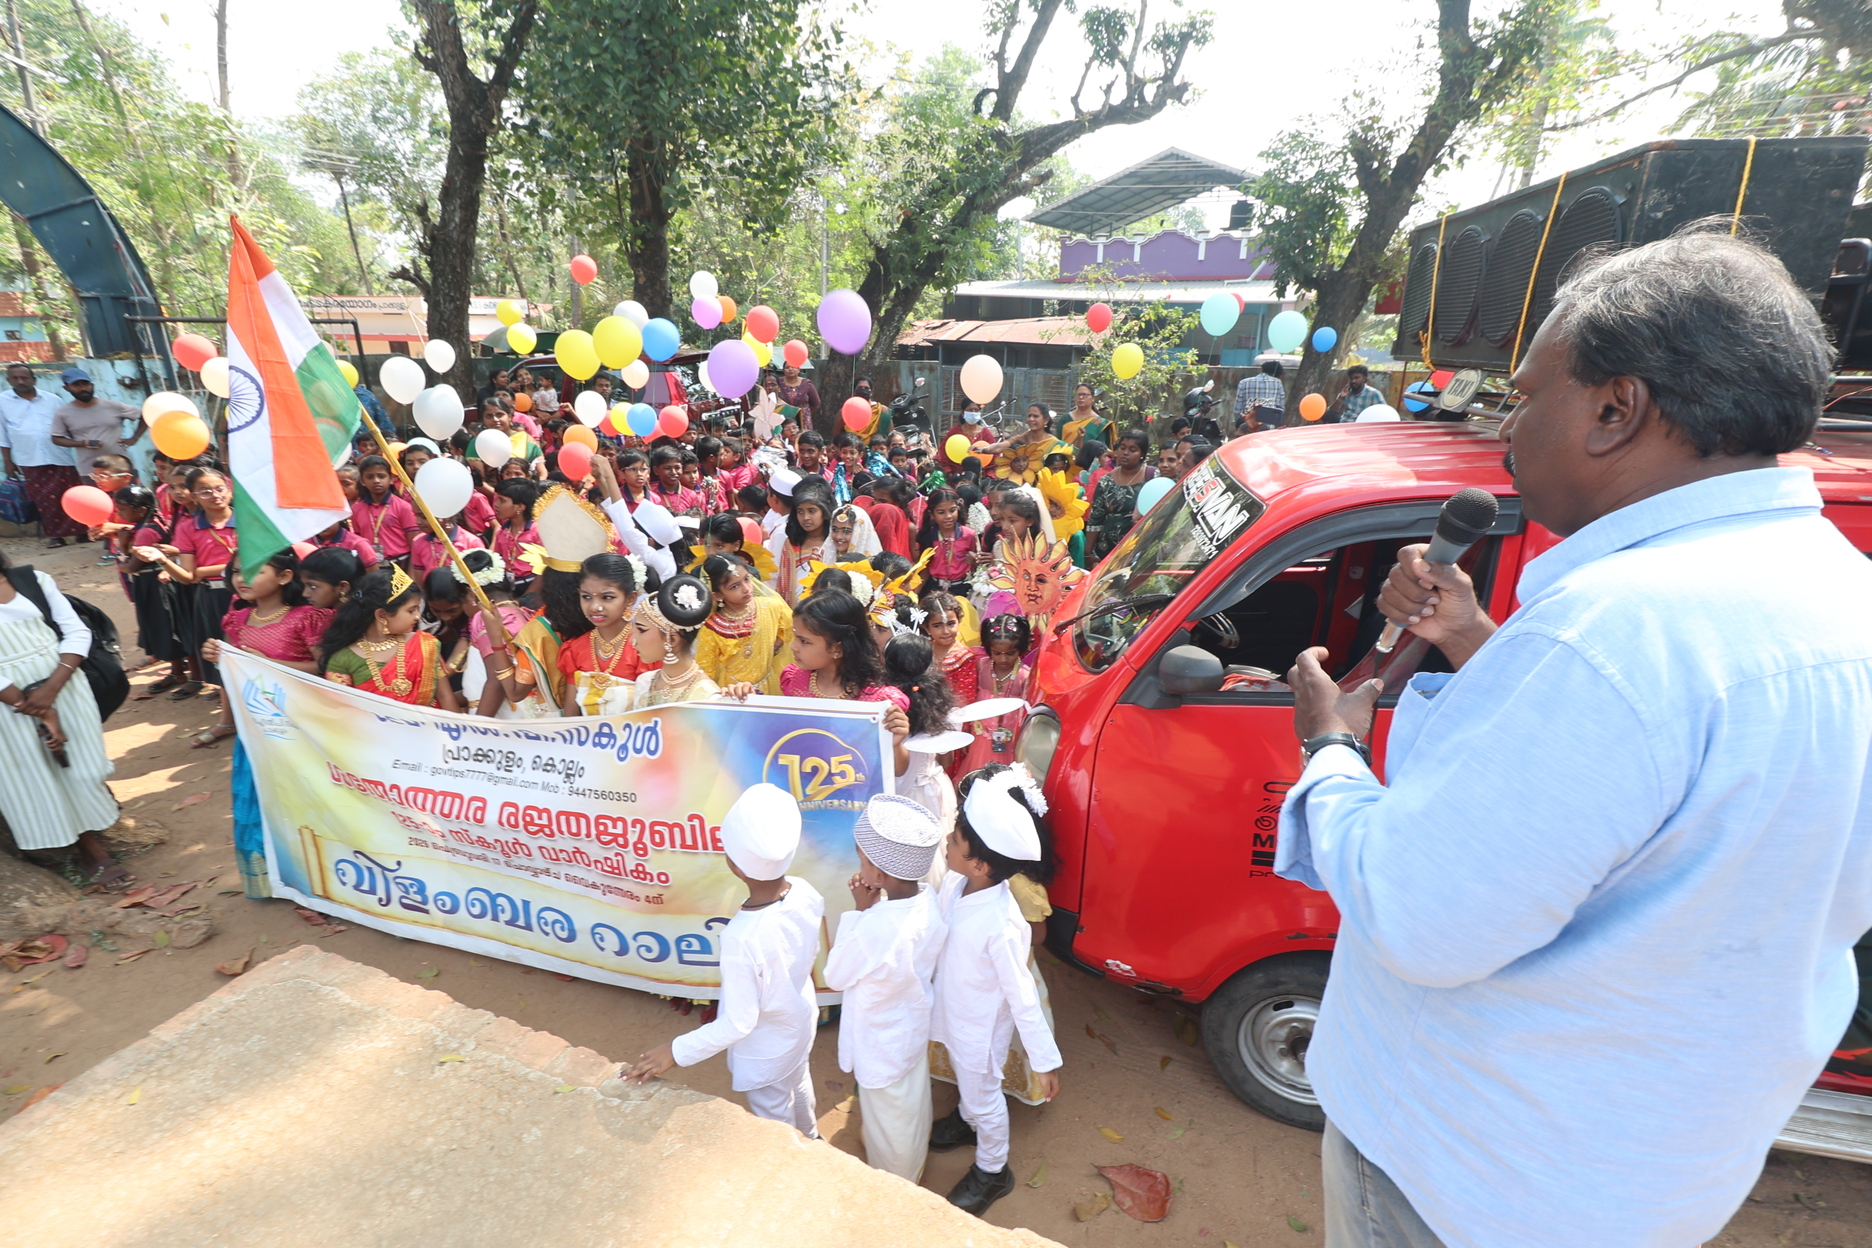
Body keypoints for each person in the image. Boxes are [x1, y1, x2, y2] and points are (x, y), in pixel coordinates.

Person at [1277, 227, 1872, 1248]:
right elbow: (1641, 782)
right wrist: (1477, 639)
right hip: (1646, 1173)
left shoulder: (1614, 631)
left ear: (1615, 409)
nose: (1507, 428)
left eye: (1524, 396)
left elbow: (1421, 916)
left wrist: (1330, 749)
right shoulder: (1840, 591)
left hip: (1469, 1178)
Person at [622, 783, 825, 1136]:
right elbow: (811, 953)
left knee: (776, 1123)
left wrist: (675, 1051)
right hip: (800, 1025)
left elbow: (738, 1023)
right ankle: (813, 1138)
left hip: (765, 1053)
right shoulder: (806, 892)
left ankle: (798, 1156)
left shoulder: (741, 937)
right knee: (799, 1086)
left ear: (734, 864)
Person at [929, 763, 1062, 1215]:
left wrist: (1044, 1060)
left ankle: (992, 1170)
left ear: (981, 864)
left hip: (979, 1029)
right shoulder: (955, 883)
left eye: (955, 840)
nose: (948, 842)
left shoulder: (1003, 925)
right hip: (953, 1010)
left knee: (985, 1098)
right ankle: (968, 1120)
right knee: (969, 1085)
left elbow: (1023, 997)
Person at [823, 793, 948, 1181]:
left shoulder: (875, 926)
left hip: (879, 1041)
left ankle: (897, 1182)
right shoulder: (929, 900)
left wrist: (859, 912)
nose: (859, 866)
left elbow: (835, 976)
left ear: (879, 875)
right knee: (910, 1101)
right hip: (909, 1029)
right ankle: (912, 1160)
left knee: (888, 1119)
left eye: (862, 859)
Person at [200, 549, 327, 897]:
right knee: (259, 801)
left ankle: (316, 878)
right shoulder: (237, 620)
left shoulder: (306, 618)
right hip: (256, 729)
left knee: (304, 799)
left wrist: (267, 664)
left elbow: (324, 668)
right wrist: (219, 656)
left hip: (299, 728)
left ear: (285, 577)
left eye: (255, 571)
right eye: (236, 571)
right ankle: (270, 879)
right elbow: (234, 670)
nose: (241, 578)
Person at [0, 549, 126, 884]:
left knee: (81, 764)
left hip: (64, 682)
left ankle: (96, 820)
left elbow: (77, 632)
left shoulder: (34, 581)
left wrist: (51, 689)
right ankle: (89, 849)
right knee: (37, 772)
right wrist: (34, 706)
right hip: (8, 701)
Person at [318, 564, 460, 709]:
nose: (418, 616)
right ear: (382, 615)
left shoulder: (426, 644)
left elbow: (445, 696)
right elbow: (341, 712)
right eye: (411, 610)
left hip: (428, 723)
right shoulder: (342, 660)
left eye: (418, 609)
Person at [1, 363, 86, 548]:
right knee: (44, 500)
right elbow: (2, 435)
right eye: (15, 378)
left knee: (72, 495)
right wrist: (7, 461)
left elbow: (68, 425)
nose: (20, 381)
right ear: (9, 380)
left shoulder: (53, 399)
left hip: (60, 455)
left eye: (24, 378)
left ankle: (82, 532)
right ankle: (56, 536)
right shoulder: (2, 401)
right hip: (29, 458)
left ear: (34, 380)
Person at [556, 552, 648, 717]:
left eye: (607, 597)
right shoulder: (575, 649)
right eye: (586, 597)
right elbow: (571, 717)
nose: (595, 607)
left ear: (630, 599)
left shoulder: (645, 647)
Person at [696, 553, 791, 694]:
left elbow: (788, 629)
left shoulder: (772, 607)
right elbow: (706, 671)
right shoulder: (711, 628)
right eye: (734, 586)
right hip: (734, 693)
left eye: (747, 579)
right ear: (718, 595)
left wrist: (774, 647)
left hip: (770, 687)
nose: (746, 588)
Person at [626, 571, 720, 707]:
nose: (632, 640)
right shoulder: (645, 682)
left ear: (672, 639)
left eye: (641, 630)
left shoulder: (707, 696)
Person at [49, 369, 140, 481]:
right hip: (90, 472)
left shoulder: (113, 406)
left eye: (85, 384)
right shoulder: (63, 413)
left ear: (92, 385)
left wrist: (134, 438)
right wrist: (82, 443)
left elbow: (144, 416)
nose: (83, 388)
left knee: (132, 493)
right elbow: (56, 438)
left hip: (122, 469)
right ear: (66, 388)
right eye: (76, 385)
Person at [1086, 429, 1153, 561]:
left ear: (1142, 454)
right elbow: (1096, 518)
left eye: (1132, 450)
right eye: (1122, 448)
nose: (1125, 453)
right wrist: (1088, 552)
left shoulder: (1152, 477)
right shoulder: (1106, 482)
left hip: (1139, 551)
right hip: (1106, 552)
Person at [767, 478, 836, 605]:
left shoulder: (834, 542)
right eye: (800, 512)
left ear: (825, 511)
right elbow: (776, 579)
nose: (805, 518)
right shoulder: (790, 543)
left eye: (812, 511)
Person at [351, 455, 421, 565]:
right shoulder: (356, 509)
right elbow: (359, 540)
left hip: (401, 562)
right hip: (371, 564)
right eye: (370, 477)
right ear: (363, 481)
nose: (376, 481)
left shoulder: (403, 507)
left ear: (391, 479)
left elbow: (414, 544)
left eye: (381, 476)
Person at [1236, 359, 1286, 432]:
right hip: (1267, 427)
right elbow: (1280, 407)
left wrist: (1238, 423)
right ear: (1277, 374)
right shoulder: (1277, 382)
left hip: (1246, 424)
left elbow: (1238, 408)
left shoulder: (1243, 382)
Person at [1058, 383, 1113, 450]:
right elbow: (1058, 442)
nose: (1081, 397)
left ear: (1093, 398)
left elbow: (1101, 448)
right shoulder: (1065, 418)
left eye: (1084, 395)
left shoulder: (1100, 423)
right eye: (1078, 395)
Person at [776, 360, 821, 430]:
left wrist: (803, 412)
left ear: (799, 369)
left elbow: (816, 403)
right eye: (787, 367)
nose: (790, 369)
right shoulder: (778, 383)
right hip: (783, 420)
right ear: (783, 370)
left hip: (803, 420)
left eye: (793, 367)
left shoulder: (807, 384)